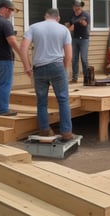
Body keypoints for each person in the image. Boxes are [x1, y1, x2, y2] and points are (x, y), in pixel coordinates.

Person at [19, 8, 73, 140]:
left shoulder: (34, 27)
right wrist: (64, 68)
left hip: (39, 68)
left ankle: (44, 130)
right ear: (58, 18)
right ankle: (66, 132)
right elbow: (69, 54)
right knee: (63, 100)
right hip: (57, 66)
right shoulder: (64, 29)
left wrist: (27, 67)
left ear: (45, 16)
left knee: (42, 101)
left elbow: (23, 48)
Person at [65, 0, 90, 84]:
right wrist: (67, 26)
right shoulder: (72, 15)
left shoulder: (85, 14)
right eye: (76, 6)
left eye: (79, 7)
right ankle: (74, 78)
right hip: (74, 38)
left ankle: (87, 77)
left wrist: (82, 23)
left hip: (84, 39)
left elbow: (85, 24)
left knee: (84, 58)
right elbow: (69, 23)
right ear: (74, 7)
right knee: (74, 58)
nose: (77, 8)